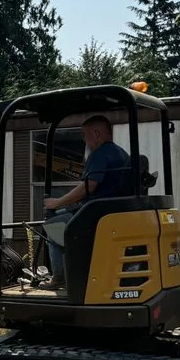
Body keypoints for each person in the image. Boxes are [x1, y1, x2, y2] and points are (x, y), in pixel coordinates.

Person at [40, 115, 130, 290]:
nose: (84, 139)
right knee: (63, 216)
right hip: (109, 211)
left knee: (53, 225)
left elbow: (88, 186)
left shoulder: (99, 154)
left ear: (96, 134)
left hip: (96, 214)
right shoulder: (121, 153)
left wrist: (57, 202)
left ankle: (59, 278)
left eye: (84, 134)